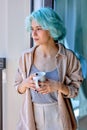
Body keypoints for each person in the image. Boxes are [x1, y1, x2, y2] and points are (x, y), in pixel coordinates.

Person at [14, 7, 83, 130]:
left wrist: (58, 86)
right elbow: (18, 87)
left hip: (58, 115)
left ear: (51, 30)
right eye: (32, 29)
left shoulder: (68, 57)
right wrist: (25, 83)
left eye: (39, 29)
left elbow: (75, 91)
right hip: (31, 116)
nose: (33, 34)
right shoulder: (26, 57)